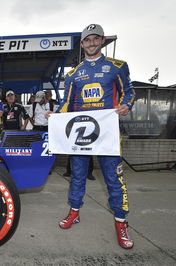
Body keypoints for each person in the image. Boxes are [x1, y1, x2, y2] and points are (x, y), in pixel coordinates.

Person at [46, 24, 135, 249]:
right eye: (88, 40)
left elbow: (130, 92)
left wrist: (126, 105)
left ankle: (121, 223)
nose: (92, 43)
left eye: (96, 39)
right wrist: (55, 116)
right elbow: (67, 103)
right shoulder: (74, 73)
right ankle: (74, 212)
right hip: (81, 135)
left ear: (102, 40)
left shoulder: (117, 66)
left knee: (114, 180)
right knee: (77, 177)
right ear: (82, 44)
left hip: (108, 135)